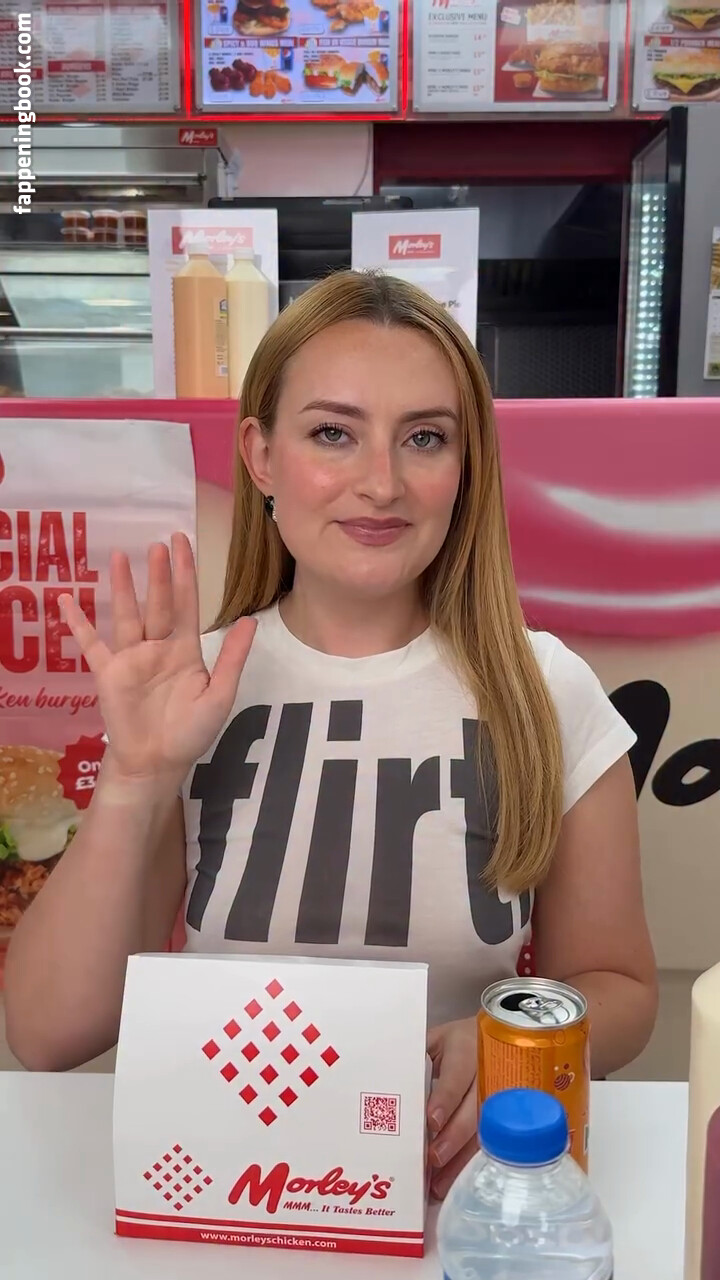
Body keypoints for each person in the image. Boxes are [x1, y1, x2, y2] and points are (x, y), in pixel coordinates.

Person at [5, 270, 657, 1200]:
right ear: (261, 456)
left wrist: (515, 1041)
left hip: (451, 1206)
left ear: (466, 466)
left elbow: (619, 986)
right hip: (222, 1201)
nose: (381, 483)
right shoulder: (188, 690)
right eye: (333, 433)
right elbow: (46, 1033)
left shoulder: (545, 691)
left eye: (425, 437)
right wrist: (136, 778)